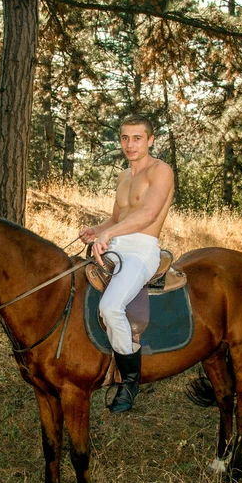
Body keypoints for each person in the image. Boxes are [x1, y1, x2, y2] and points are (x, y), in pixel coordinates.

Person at [79, 114, 174, 413]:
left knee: (110, 307)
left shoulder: (161, 171)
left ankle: (130, 380)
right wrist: (97, 230)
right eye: (124, 138)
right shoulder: (123, 176)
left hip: (142, 250)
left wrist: (108, 233)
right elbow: (118, 218)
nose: (130, 144)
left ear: (150, 139)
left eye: (137, 138)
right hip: (115, 244)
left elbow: (147, 215)